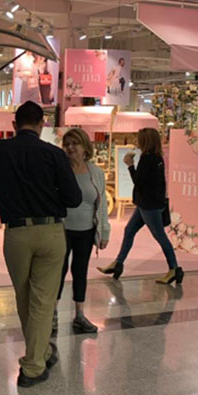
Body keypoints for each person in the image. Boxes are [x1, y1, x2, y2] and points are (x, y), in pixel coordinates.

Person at [0, 101, 82, 388]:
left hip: (16, 234)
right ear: (42, 125)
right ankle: (33, 367)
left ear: (14, 125)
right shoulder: (54, 154)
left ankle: (40, 353)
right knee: (42, 301)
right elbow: (74, 198)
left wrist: (1, 178)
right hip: (50, 232)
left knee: (24, 297)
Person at [98, 127, 183, 285]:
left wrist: (130, 165)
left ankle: (174, 269)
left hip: (148, 205)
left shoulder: (147, 158)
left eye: (139, 138)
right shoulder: (157, 157)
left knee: (160, 236)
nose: (136, 141)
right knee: (129, 231)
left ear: (145, 141)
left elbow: (139, 181)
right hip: (151, 203)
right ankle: (118, 263)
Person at [54, 129, 111, 334]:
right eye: (67, 144)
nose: (70, 148)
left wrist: (104, 231)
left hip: (86, 230)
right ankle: (52, 314)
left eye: (74, 144)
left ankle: (79, 314)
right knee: (58, 272)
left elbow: (101, 203)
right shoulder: (60, 170)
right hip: (61, 230)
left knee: (80, 271)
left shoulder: (95, 173)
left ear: (85, 147)